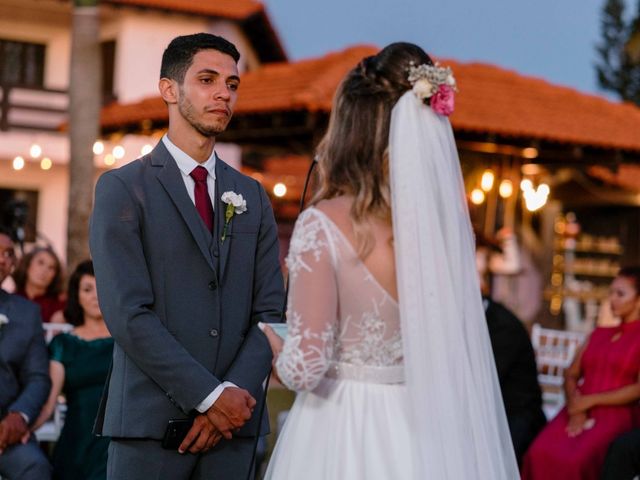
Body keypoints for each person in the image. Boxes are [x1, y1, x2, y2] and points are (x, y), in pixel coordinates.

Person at [260, 42, 518, 479]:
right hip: (427, 430)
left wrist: (265, 337)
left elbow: (304, 368)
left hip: (343, 426)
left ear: (349, 129)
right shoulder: (441, 227)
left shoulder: (323, 224)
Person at [89, 33, 284, 480]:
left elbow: (271, 312)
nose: (224, 93)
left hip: (235, 432)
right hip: (150, 427)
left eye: (232, 84)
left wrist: (231, 397)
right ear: (169, 90)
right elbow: (127, 313)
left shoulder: (252, 195)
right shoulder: (122, 189)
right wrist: (210, 397)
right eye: (207, 79)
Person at [522, 266, 640, 480]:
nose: (612, 299)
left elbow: (638, 388)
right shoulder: (599, 333)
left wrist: (590, 401)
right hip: (576, 406)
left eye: (620, 294)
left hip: (615, 413)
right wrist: (576, 407)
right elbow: (571, 373)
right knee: (537, 453)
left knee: (575, 462)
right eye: (611, 292)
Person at [32, 260, 113, 480]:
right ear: (76, 295)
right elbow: (48, 404)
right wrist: (20, 430)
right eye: (87, 289)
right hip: (76, 442)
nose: (95, 295)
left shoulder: (125, 341)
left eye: (101, 286)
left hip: (116, 441)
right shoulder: (63, 344)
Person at [0, 226, 52, 480]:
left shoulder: (26, 313)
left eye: (9, 254)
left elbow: (38, 376)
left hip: (5, 428)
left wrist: (19, 415)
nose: (2, 259)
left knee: (35, 467)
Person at [13, 246, 65, 323]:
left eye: (51, 267)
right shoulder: (10, 300)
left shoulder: (61, 306)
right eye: (40, 263)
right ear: (27, 265)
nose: (44, 270)